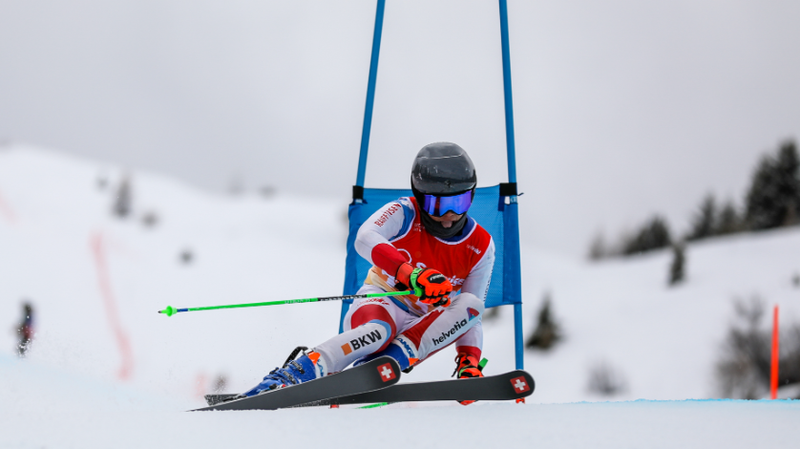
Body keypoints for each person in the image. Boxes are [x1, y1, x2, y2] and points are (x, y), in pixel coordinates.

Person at [242, 142, 495, 399]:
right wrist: (411, 274)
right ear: (419, 197)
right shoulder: (404, 211)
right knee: (378, 332)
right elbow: (365, 237)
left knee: (471, 305)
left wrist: (469, 360)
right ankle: (293, 375)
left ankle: (378, 366)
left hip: (423, 326)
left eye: (460, 201)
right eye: (437, 206)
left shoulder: (481, 245)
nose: (450, 214)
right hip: (381, 302)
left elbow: (471, 314)